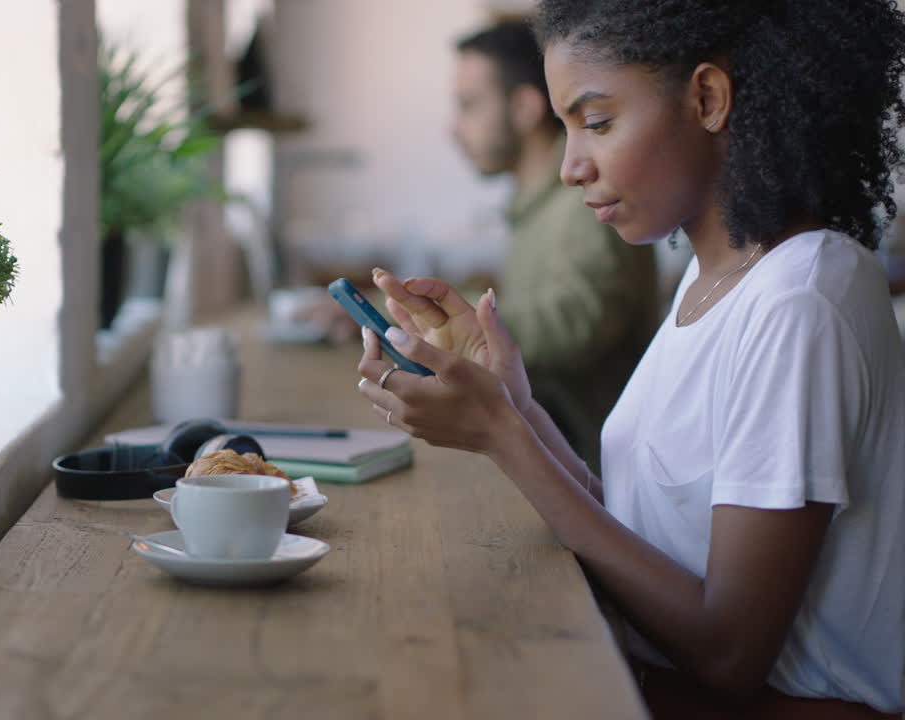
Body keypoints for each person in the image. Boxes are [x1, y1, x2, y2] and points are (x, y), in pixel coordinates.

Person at [354, 1, 905, 718]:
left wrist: (503, 436)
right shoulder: (711, 281)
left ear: (708, 98)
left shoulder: (799, 302)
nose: (570, 167)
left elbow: (729, 654)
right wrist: (514, 401)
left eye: (598, 122)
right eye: (566, 127)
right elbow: (639, 539)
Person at [303, 21, 658, 472]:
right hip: (548, 451)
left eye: (469, 106)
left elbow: (573, 328)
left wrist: (440, 325)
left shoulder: (588, 203)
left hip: (587, 466)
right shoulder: (536, 205)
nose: (454, 129)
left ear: (525, 107)